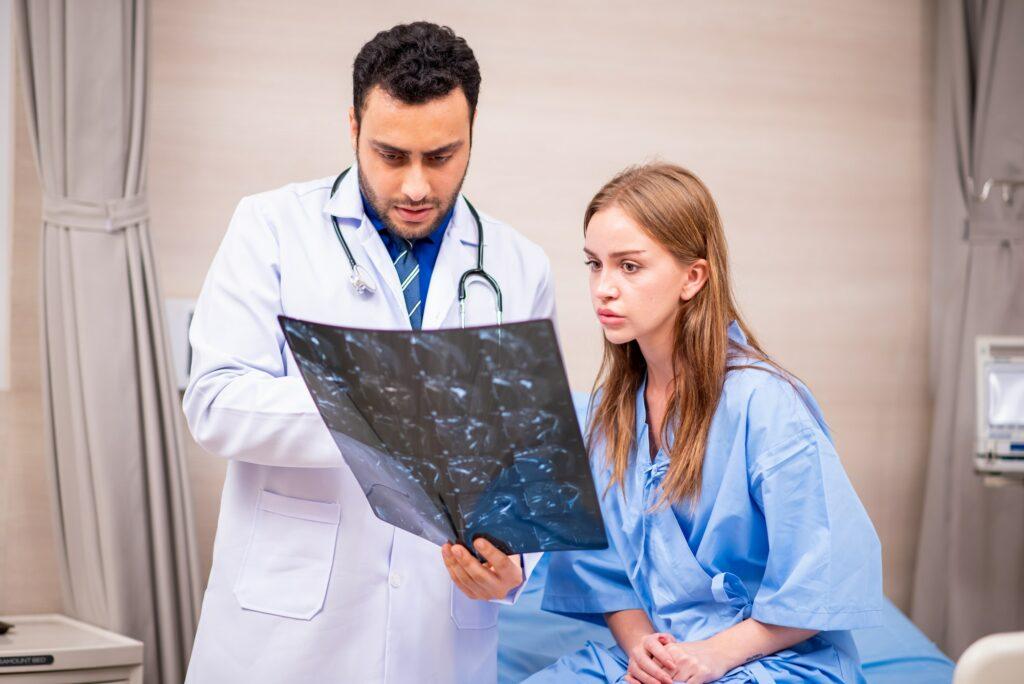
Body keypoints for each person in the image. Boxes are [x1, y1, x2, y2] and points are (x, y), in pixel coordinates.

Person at [183, 22, 552, 683]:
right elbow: (215, 402)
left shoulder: (519, 268)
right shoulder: (271, 229)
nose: (415, 186)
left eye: (441, 157)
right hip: (287, 637)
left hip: (440, 636)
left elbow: (525, 459)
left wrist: (514, 565)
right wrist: (380, 409)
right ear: (352, 125)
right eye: (390, 154)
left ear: (472, 136)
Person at [526, 163, 882, 683]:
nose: (603, 288)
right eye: (594, 264)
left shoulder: (765, 405)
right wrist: (647, 650)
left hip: (772, 660)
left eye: (629, 267)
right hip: (668, 658)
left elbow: (819, 582)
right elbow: (607, 579)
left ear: (693, 277)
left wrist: (712, 656)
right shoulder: (609, 414)